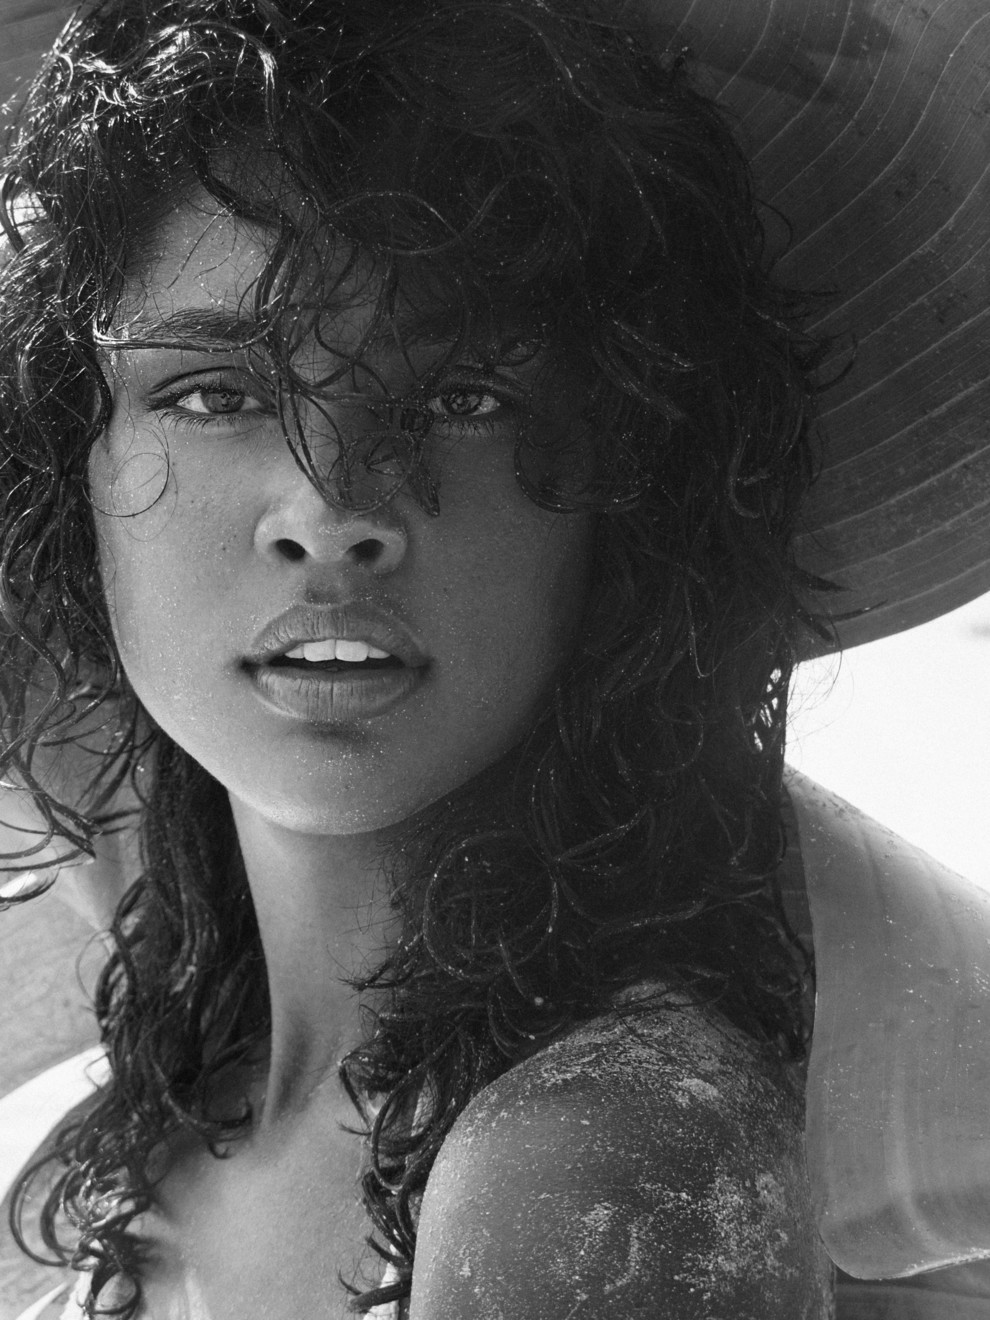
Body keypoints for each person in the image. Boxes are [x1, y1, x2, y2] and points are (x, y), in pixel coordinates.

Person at [2, 1, 990, 1317]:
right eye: (216, 395)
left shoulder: (592, 1172)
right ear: (69, 469)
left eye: (462, 399)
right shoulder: (181, 1039)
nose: (331, 510)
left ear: (627, 488)